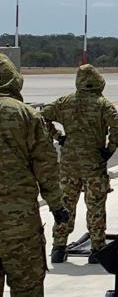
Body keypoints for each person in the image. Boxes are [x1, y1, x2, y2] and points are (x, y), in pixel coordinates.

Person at [41, 64, 118, 264]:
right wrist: (110, 148)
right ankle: (97, 249)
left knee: (65, 205)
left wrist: (58, 137)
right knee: (95, 206)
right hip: (94, 163)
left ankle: (59, 247)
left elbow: (42, 116)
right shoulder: (102, 104)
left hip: (69, 163)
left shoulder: (65, 102)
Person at [0, 54, 69, 296]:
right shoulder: (27, 115)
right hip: (19, 223)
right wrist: (57, 206)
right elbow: (46, 165)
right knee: (27, 286)